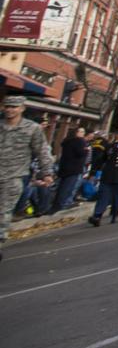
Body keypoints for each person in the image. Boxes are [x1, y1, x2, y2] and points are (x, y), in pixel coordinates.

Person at [1, 94, 54, 256]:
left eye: (14, 107)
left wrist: (46, 173)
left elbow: (42, 151)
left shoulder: (32, 128)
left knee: (3, 211)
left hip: (13, 177)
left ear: (22, 108)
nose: (10, 110)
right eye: (7, 106)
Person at [52, 126, 89, 212]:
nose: (83, 134)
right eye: (81, 132)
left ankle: (57, 204)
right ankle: (62, 204)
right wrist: (86, 150)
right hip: (74, 168)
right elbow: (81, 153)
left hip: (64, 167)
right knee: (68, 187)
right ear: (76, 133)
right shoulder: (79, 141)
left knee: (61, 187)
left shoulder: (67, 141)